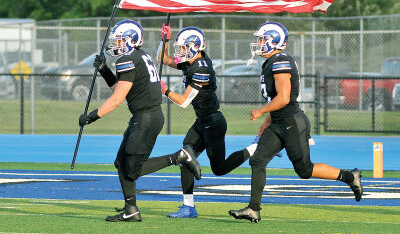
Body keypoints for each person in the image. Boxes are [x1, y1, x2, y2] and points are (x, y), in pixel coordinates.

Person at [228, 22, 363, 223]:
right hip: (278, 123)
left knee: (304, 170)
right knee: (257, 160)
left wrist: (261, 111)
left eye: (262, 39)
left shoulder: (281, 60)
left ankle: (350, 177)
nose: (258, 43)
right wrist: (267, 120)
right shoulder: (271, 61)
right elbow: (275, 99)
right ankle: (253, 209)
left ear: (274, 40)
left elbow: (283, 98)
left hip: (292, 122)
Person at [78, 19, 201, 223]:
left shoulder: (128, 59)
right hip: (145, 116)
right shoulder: (141, 55)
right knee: (121, 162)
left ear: (130, 40)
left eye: (119, 40)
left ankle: (179, 156)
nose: (116, 45)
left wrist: (91, 117)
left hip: (146, 118)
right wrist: (104, 70)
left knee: (132, 170)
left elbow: (117, 99)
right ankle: (131, 209)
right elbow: (121, 90)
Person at [158, 24, 259, 218]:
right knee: (184, 155)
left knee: (219, 169)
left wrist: (164, 90)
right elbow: (164, 59)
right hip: (202, 121)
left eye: (184, 47)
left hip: (213, 123)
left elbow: (184, 102)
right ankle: (188, 206)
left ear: (195, 46)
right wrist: (165, 40)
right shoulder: (192, 61)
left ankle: (254, 148)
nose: (181, 51)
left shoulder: (201, 68)